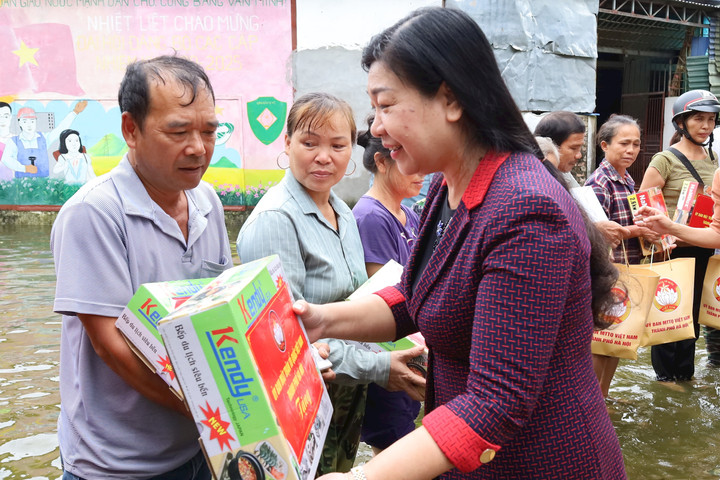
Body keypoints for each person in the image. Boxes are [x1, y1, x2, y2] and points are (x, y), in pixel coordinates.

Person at [294, 7, 626, 480]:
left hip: (541, 463)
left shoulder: (525, 211)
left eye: (386, 106)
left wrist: (362, 477)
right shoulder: (448, 187)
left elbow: (496, 400)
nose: (375, 129)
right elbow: (415, 294)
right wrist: (322, 320)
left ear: (450, 99)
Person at [51, 55, 230, 479]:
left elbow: (219, 311)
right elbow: (110, 345)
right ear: (131, 129)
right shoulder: (94, 213)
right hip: (115, 464)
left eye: (209, 131)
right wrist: (214, 410)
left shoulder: (208, 203)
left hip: (199, 446)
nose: (198, 148)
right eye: (178, 131)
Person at [236, 92, 425, 476]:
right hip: (298, 403)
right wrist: (376, 367)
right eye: (309, 143)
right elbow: (284, 341)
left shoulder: (341, 209)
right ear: (286, 143)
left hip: (343, 396)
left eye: (338, 145)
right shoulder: (277, 219)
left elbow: (354, 300)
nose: (324, 156)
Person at [352, 114, 424, 454]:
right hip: (388, 353)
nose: (421, 173)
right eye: (409, 163)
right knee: (394, 450)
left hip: (410, 348)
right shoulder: (370, 217)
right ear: (381, 162)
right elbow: (382, 297)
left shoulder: (409, 215)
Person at [635, 89, 720, 375]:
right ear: (681, 122)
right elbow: (643, 204)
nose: (706, 126)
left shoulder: (713, 158)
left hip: (704, 246)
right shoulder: (665, 159)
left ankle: (685, 375)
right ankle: (664, 379)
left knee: (693, 314)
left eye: (710, 119)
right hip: (670, 249)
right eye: (699, 119)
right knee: (668, 311)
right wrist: (660, 240)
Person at [585, 114, 660, 397]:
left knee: (619, 337)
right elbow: (600, 233)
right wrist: (639, 231)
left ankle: (602, 397)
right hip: (608, 271)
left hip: (627, 269)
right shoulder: (600, 183)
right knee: (602, 341)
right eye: (624, 143)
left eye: (636, 144)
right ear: (604, 145)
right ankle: (594, 400)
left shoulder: (626, 179)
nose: (631, 150)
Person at [2, 100, 87, 178]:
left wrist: (74, 113)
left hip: (43, 183)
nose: (29, 125)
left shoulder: (44, 138)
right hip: (22, 183)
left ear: (36, 121)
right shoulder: (13, 141)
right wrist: (24, 168)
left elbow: (60, 129)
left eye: (32, 121)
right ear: (19, 122)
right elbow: (6, 159)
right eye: (25, 121)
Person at [533, 110, 586, 187]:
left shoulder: (563, 174)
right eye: (573, 148)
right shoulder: (534, 183)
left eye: (580, 148)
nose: (579, 155)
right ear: (550, 146)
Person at [0, 102, 37, 180]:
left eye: (5, 116)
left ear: (10, 117)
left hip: (15, 182)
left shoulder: (17, 139)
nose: (2, 120)